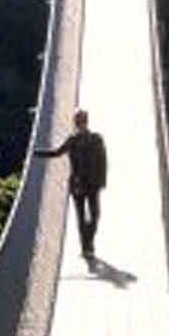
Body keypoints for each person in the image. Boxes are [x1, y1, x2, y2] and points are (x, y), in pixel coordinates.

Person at [34, 108, 108, 261]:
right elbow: (57, 153)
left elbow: (103, 161)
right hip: (78, 184)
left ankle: (88, 244)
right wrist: (35, 153)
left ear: (86, 122)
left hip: (91, 184)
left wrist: (102, 181)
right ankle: (87, 248)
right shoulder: (73, 140)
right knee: (82, 217)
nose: (81, 124)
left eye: (82, 121)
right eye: (79, 122)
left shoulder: (96, 139)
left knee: (94, 216)